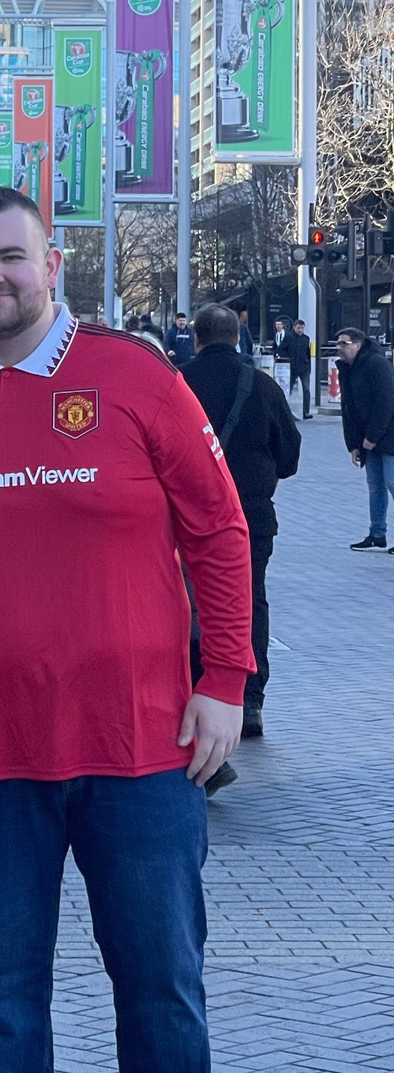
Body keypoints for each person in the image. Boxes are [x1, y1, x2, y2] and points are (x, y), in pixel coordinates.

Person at [0, 186, 253, 1073]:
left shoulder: (140, 380)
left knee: (162, 994)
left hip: (143, 748)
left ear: (52, 264)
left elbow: (220, 531)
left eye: (10, 256)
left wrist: (225, 682)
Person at [182, 304, 301, 745]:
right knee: (250, 601)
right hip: (251, 514)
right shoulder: (263, 387)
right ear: (238, 338)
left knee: (189, 603)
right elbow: (289, 453)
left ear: (195, 337)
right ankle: (249, 700)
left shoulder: (178, 382)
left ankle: (195, 686)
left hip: (188, 517)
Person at [336, 327, 394, 551]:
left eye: (344, 343)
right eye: (338, 343)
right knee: (375, 486)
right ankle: (377, 534)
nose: (339, 347)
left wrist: (371, 437)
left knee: (391, 482)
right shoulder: (347, 369)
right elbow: (347, 408)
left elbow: (386, 403)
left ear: (358, 344)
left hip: (388, 434)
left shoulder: (376, 364)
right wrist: (353, 444)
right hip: (368, 439)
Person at [283, 318, 313, 419]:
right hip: (292, 367)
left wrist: (308, 367)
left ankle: (306, 412)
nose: (300, 330)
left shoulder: (306, 339)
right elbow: (282, 350)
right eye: (299, 328)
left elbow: (307, 353)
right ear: (294, 327)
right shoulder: (288, 337)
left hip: (304, 367)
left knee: (306, 389)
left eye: (302, 328)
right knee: (288, 390)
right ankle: (285, 410)